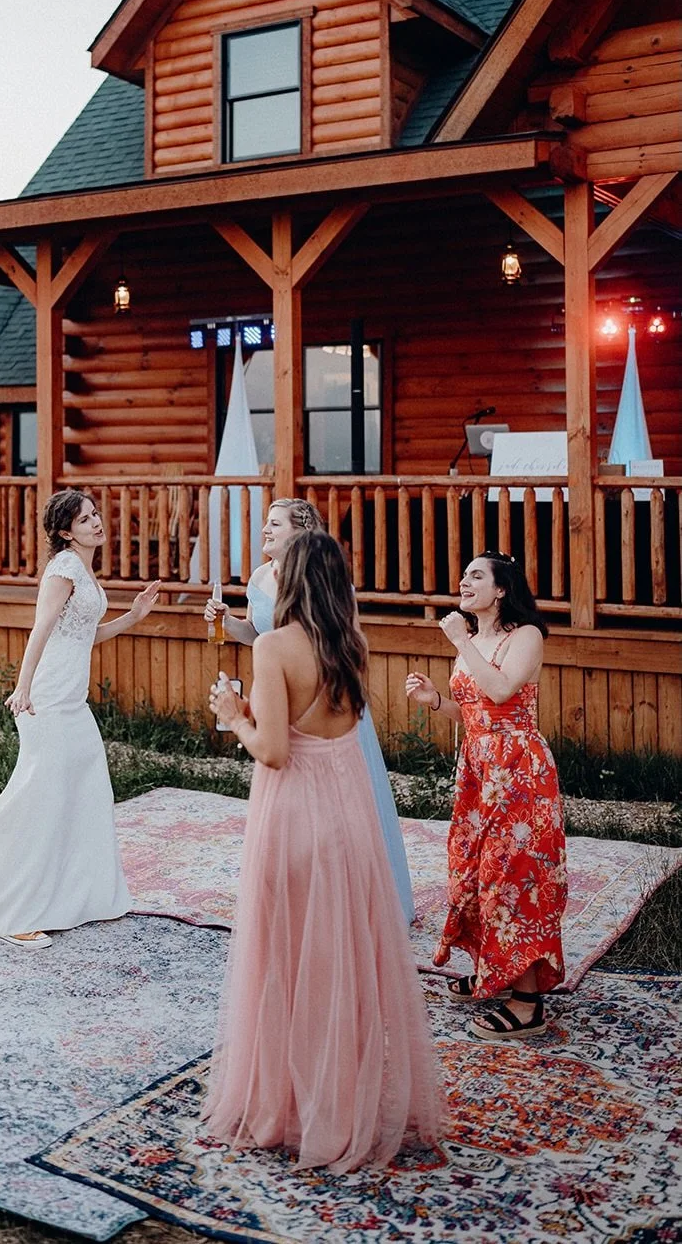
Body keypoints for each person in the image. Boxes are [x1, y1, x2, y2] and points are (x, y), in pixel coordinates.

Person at [204, 530, 441, 1172]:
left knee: (285, 957)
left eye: (277, 564)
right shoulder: (351, 643)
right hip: (346, 814)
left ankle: (296, 1106)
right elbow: (320, 721)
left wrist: (233, 713)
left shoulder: (278, 646)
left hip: (295, 814)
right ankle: (344, 1096)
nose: (268, 571)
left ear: (295, 578)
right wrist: (259, 711)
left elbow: (275, 751)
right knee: (339, 961)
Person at [0, 490, 160, 947]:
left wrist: (135, 616)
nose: (97, 523)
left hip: (73, 700)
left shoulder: (83, 569)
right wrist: (23, 687)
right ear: (66, 531)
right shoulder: (64, 568)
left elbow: (86, 634)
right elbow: (41, 629)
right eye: (86, 519)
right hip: (47, 698)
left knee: (87, 791)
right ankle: (9, 909)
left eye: (96, 515)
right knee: (40, 796)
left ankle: (84, 898)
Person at [205, 498, 415, 923]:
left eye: (274, 523)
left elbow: (343, 649)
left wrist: (239, 717)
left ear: (301, 533)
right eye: (265, 522)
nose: (264, 530)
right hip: (281, 696)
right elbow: (256, 634)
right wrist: (226, 623)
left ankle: (361, 897)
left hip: (326, 705)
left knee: (348, 806)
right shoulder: (260, 577)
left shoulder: (331, 588)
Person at [405, 550, 566, 1041]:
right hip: (478, 767)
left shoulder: (527, 637)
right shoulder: (474, 640)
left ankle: (527, 1002)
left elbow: (500, 692)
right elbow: (476, 711)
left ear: (501, 591)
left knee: (515, 873)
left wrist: (459, 641)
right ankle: (494, 969)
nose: (464, 580)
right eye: (464, 573)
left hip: (518, 770)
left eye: (477, 575)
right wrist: (436, 702)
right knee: (474, 870)